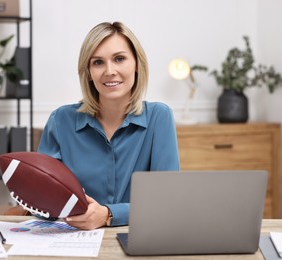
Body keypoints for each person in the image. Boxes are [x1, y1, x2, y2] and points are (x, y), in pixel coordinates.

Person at [38, 21, 180, 230]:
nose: (109, 71)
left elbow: (167, 201)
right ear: (88, 72)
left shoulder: (159, 117)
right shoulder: (61, 120)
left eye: (119, 59)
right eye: (98, 62)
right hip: (72, 240)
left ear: (137, 65)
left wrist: (108, 214)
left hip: (137, 238)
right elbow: (40, 197)